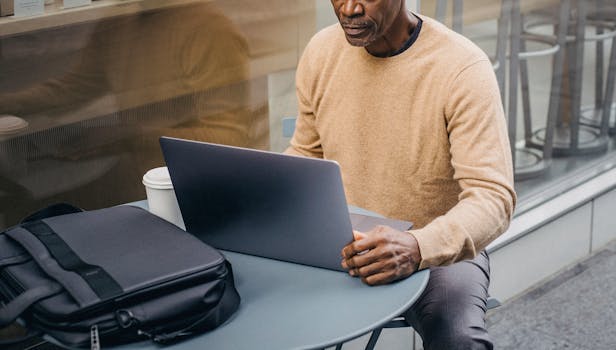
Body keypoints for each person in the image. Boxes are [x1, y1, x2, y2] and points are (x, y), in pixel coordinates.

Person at [285, 0, 516, 349]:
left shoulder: (462, 67)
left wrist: (417, 246)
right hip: (341, 239)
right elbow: (306, 155)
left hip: (435, 245)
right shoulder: (321, 51)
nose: (348, 9)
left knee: (458, 339)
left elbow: (493, 197)